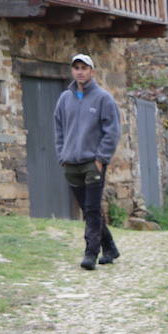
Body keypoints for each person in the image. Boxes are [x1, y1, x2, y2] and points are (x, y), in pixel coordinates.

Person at [54, 53, 120, 271]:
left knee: (91, 209)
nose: (80, 71)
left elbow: (112, 132)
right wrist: (62, 154)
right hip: (71, 164)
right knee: (87, 208)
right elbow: (59, 128)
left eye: (84, 67)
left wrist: (101, 159)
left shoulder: (103, 98)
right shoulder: (65, 98)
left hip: (93, 163)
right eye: (76, 68)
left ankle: (90, 253)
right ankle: (109, 247)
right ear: (72, 71)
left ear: (92, 71)